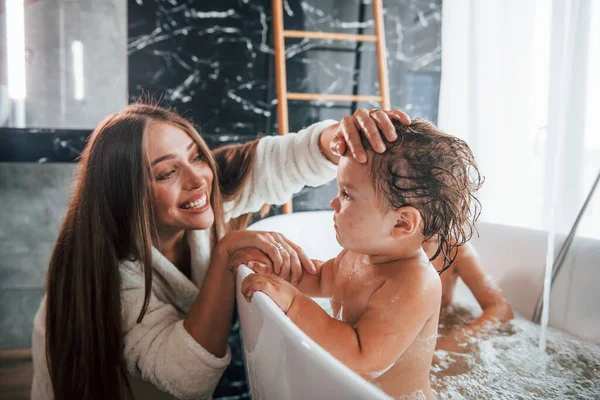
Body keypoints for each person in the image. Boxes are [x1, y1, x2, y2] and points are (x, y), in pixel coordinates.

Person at [29, 103, 411, 400]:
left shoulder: (212, 188)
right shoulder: (107, 274)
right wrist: (226, 255)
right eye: (166, 173)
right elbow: (187, 378)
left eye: (196, 156)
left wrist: (339, 138)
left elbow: (284, 159)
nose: (198, 180)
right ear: (124, 195)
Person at [241, 119, 483, 399]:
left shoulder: (414, 284)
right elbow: (321, 279)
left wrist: (294, 302)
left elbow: (361, 356)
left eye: (346, 195)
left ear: (402, 224)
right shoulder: (361, 253)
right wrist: (279, 270)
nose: (333, 203)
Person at [423, 237, 514, 352]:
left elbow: (501, 308)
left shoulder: (453, 249)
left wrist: (453, 343)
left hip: (439, 334)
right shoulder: (394, 248)